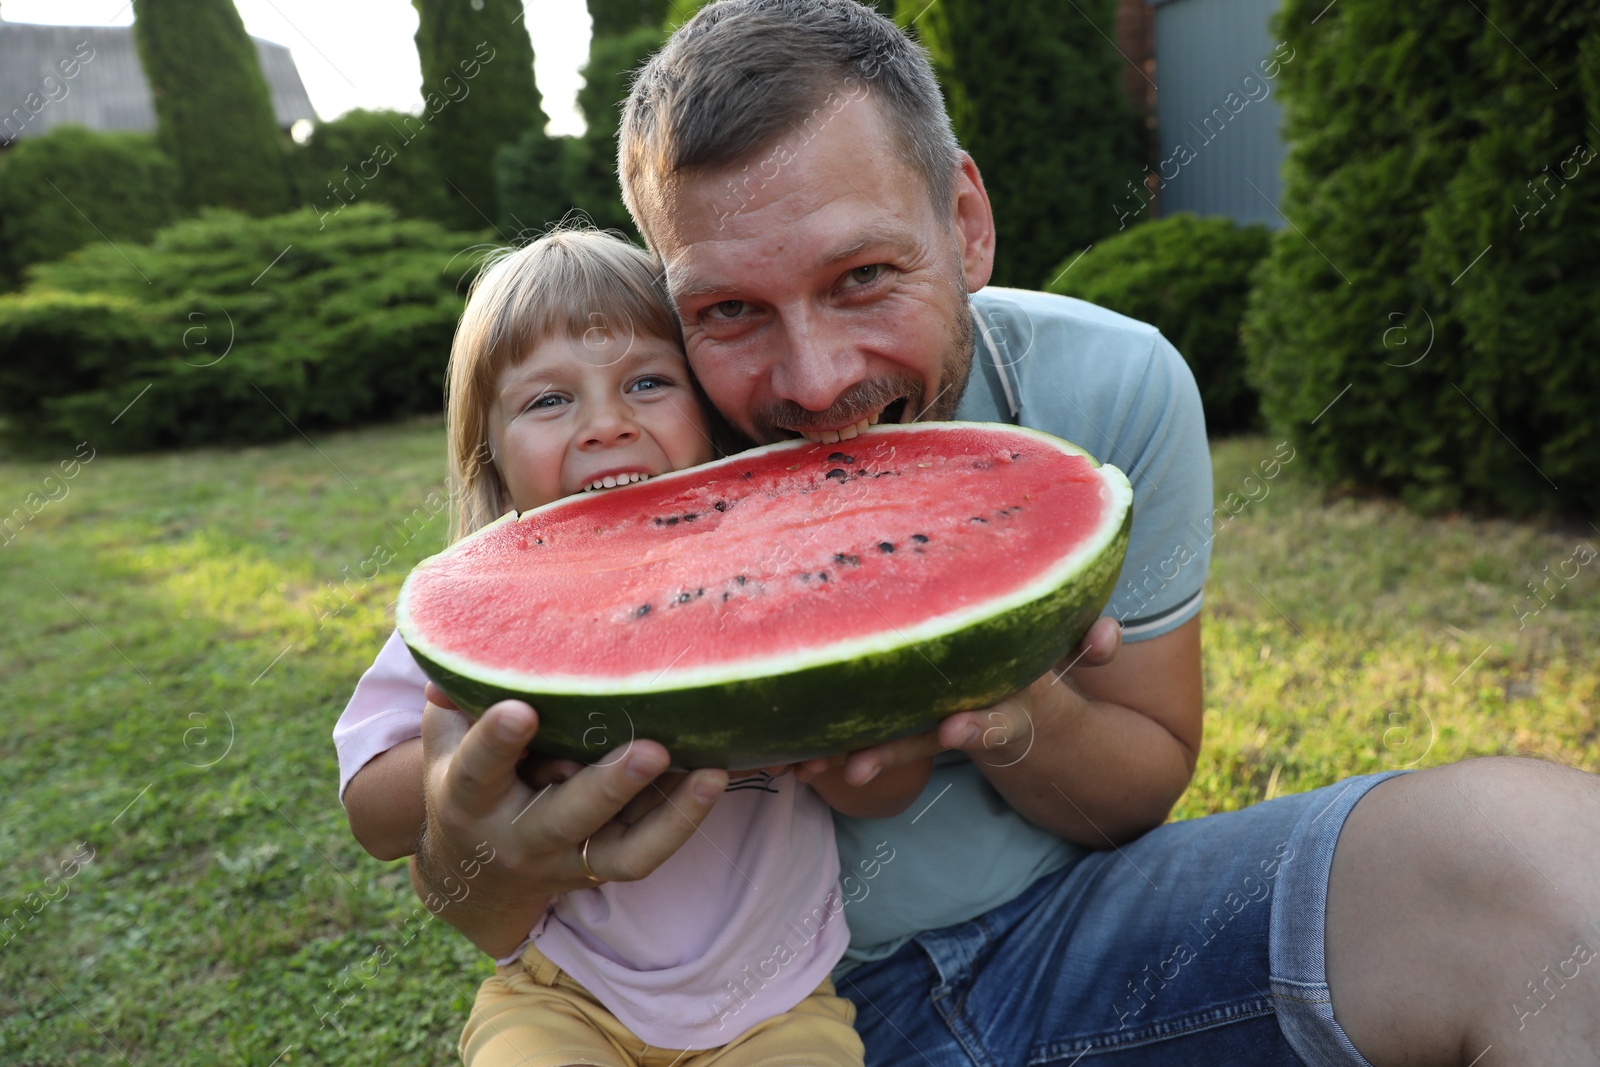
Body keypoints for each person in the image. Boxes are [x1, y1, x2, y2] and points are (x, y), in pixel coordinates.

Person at [406, 3, 1600, 1065]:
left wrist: (1017, 710)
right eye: (727, 310)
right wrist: (485, 868)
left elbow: (1141, 782)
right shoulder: (629, 464)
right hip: (746, 1021)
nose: (816, 381)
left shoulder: (1116, 388)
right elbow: (472, 893)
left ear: (965, 223)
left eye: (865, 275)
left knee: (1549, 866)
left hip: (1072, 941)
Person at [333, 228, 931, 1064]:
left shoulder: (779, 575)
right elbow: (371, 810)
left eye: (648, 382)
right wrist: (493, 748)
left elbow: (883, 792)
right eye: (549, 401)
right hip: (560, 996)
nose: (606, 424)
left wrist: (841, 747)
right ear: (491, 458)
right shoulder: (478, 608)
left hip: (780, 1006)